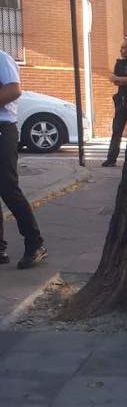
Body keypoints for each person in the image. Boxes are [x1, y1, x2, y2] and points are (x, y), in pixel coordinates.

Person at [0, 48, 47, 269]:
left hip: (2, 129)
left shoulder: (2, 58)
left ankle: (35, 244)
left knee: (8, 188)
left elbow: (14, 90)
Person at [102, 38, 127, 167]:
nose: (121, 50)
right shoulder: (119, 63)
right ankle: (111, 159)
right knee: (117, 130)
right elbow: (114, 80)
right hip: (122, 101)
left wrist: (121, 79)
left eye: (124, 48)